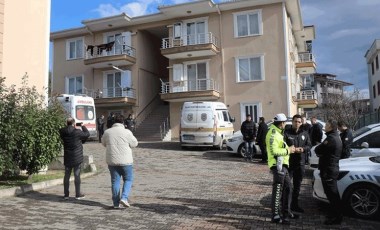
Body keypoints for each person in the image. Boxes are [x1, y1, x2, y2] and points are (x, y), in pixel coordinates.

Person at [102, 114, 138, 209]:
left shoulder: (107, 132)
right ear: (123, 122)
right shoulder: (127, 132)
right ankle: (124, 198)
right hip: (126, 161)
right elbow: (135, 143)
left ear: (114, 122)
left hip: (112, 161)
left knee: (115, 181)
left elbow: (103, 143)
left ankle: (115, 203)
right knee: (128, 179)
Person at [266, 113, 296, 224]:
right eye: (285, 123)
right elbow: (274, 151)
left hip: (283, 165)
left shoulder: (278, 132)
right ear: (282, 123)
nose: (285, 125)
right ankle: (275, 216)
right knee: (278, 190)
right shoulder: (273, 133)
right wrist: (289, 150)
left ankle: (286, 212)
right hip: (277, 166)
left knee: (288, 187)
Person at [315, 119, 343, 225]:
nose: (325, 126)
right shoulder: (335, 136)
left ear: (331, 127)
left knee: (332, 195)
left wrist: (321, 152)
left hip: (329, 170)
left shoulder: (331, 138)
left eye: (326, 125)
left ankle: (336, 217)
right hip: (330, 169)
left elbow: (318, 150)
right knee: (331, 194)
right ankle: (334, 214)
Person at [284, 114, 311, 214]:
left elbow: (309, 145)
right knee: (287, 186)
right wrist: (290, 149)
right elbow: (282, 146)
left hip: (300, 164)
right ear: (292, 122)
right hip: (289, 164)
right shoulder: (286, 133)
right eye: (295, 121)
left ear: (301, 123)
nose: (297, 123)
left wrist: (303, 149)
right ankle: (285, 205)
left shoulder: (305, 133)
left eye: (299, 122)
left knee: (297, 186)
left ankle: (295, 205)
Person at [59, 117, 90, 200]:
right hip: (77, 156)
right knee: (77, 175)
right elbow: (87, 134)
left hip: (68, 156)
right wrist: (83, 126)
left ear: (67, 123)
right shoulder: (77, 132)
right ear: (74, 123)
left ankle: (66, 195)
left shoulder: (62, 131)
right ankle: (77, 194)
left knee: (67, 175)